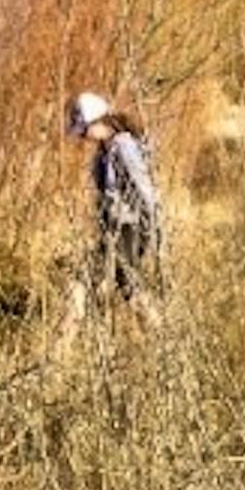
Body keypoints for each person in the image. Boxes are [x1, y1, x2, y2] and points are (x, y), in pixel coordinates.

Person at [65, 91, 163, 326]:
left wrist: (156, 227)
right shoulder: (104, 151)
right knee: (124, 286)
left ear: (98, 121)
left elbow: (143, 187)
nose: (83, 137)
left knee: (93, 282)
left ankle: (160, 336)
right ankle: (159, 336)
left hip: (131, 228)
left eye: (85, 130)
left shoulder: (124, 146)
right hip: (115, 226)